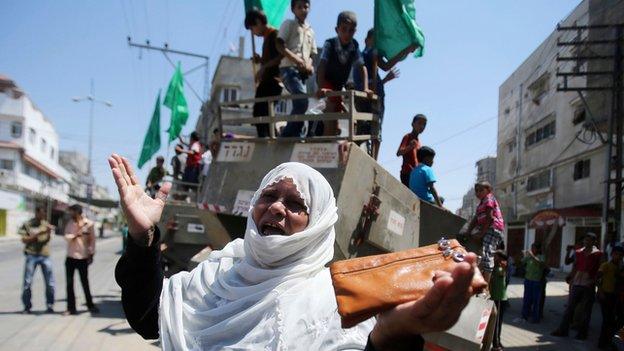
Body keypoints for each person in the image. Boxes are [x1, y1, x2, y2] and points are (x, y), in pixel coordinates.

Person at [108, 154, 485, 350]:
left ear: (318, 223)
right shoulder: (219, 271)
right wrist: (142, 236)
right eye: (269, 196)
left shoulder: (335, 302)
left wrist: (390, 337)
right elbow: (150, 317)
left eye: (295, 204)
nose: (275, 208)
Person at [354, 29, 417, 159]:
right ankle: (367, 158)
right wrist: (405, 50)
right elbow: (385, 66)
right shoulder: (363, 55)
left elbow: (381, 72)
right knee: (366, 129)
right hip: (366, 98)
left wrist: (384, 80)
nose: (376, 43)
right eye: (374, 40)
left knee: (373, 130)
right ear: (366, 40)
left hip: (374, 97)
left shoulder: (369, 56)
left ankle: (373, 159)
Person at [316, 11, 370, 136]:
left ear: (355, 31)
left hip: (339, 83)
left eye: (351, 30)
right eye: (344, 29)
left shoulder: (354, 46)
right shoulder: (330, 44)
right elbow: (322, 66)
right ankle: (328, 136)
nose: (347, 34)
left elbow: (362, 68)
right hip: (326, 80)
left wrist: (366, 88)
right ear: (337, 29)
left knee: (338, 106)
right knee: (331, 104)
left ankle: (334, 130)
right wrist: (320, 87)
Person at [277, 0, 317, 137]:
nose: (303, 10)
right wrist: (298, 60)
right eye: (299, 7)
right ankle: (287, 135)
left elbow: (312, 54)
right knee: (302, 102)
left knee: (301, 104)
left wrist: (309, 65)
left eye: (306, 6)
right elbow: (280, 45)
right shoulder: (289, 24)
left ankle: (296, 133)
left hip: (302, 73)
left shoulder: (310, 30)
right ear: (293, 9)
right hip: (289, 68)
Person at [552, 232, 603, 340]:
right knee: (569, 308)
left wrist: (594, 281)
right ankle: (563, 330)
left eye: (589, 239)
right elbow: (575, 266)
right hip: (577, 283)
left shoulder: (598, 254)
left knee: (586, 311)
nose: (586, 241)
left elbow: (600, 270)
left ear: (594, 241)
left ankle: (582, 333)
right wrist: (571, 278)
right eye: (586, 239)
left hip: (588, 284)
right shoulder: (578, 252)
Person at [245, 8, 283, 138]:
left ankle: (268, 138)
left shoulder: (275, 34)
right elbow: (270, 58)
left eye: (252, 28)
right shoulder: (267, 38)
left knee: (263, 113)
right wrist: (260, 60)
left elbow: (281, 56)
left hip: (273, 81)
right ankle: (268, 137)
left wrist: (263, 67)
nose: (253, 32)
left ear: (258, 22)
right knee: (260, 113)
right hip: (267, 80)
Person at [464, 181, 505, 283]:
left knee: (487, 253)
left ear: (488, 190)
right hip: (486, 228)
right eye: (476, 191)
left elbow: (490, 218)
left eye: (481, 190)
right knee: (480, 252)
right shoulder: (481, 204)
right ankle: (479, 275)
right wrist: (469, 231)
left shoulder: (489, 199)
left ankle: (486, 286)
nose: (478, 193)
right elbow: (475, 219)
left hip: (493, 228)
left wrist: (482, 233)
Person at [19, 205, 55, 314]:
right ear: (36, 213)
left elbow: (48, 239)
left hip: (44, 255)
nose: (42, 215)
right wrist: (38, 234)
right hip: (31, 254)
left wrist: (48, 232)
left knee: (50, 283)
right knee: (27, 282)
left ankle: (50, 305)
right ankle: (27, 306)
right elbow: (24, 240)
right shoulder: (28, 224)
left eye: (44, 214)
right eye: (40, 213)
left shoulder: (46, 225)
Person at [64, 204, 99, 315]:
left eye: (72, 212)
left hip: (82, 258)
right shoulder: (70, 223)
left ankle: (90, 305)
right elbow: (66, 236)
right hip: (70, 257)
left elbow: (92, 240)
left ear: (78, 212)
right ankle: (71, 308)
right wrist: (75, 235)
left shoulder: (88, 224)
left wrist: (91, 254)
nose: (70, 214)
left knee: (85, 282)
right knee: (69, 284)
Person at [597, 245, 624, 349]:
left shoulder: (620, 268)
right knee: (607, 320)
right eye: (616, 254)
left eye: (621, 255)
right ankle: (603, 342)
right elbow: (598, 278)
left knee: (614, 321)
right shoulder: (606, 265)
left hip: (615, 296)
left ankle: (608, 340)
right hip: (606, 295)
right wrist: (600, 291)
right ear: (612, 254)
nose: (618, 257)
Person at [397, 114, 427, 187]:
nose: (422, 126)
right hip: (407, 173)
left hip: (415, 174)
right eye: (419, 123)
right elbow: (399, 153)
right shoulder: (408, 137)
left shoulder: (418, 142)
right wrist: (409, 147)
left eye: (424, 124)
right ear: (412, 124)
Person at [521, 243, 545, 323]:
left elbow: (541, 264)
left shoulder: (541, 256)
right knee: (526, 299)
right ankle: (524, 315)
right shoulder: (529, 257)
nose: (531, 250)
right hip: (528, 280)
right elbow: (522, 262)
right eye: (531, 248)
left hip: (536, 281)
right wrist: (524, 255)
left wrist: (532, 256)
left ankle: (535, 318)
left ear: (538, 249)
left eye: (533, 248)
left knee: (536, 301)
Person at [491, 250, 508, 351]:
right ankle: (496, 341)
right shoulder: (495, 268)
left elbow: (503, 272)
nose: (493, 257)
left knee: (497, 323)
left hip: (499, 299)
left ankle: (496, 344)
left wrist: (504, 265)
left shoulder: (501, 268)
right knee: (495, 323)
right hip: (495, 298)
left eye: (495, 256)